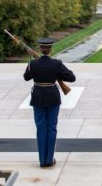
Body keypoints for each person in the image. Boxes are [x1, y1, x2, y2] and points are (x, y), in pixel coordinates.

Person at [23, 37, 76, 167]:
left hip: (38, 98)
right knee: (51, 129)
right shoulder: (57, 64)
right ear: (51, 49)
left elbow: (26, 77)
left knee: (41, 129)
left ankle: (42, 161)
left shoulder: (33, 63)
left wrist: (31, 62)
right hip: (52, 97)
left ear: (40, 49)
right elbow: (72, 78)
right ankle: (49, 160)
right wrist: (57, 74)